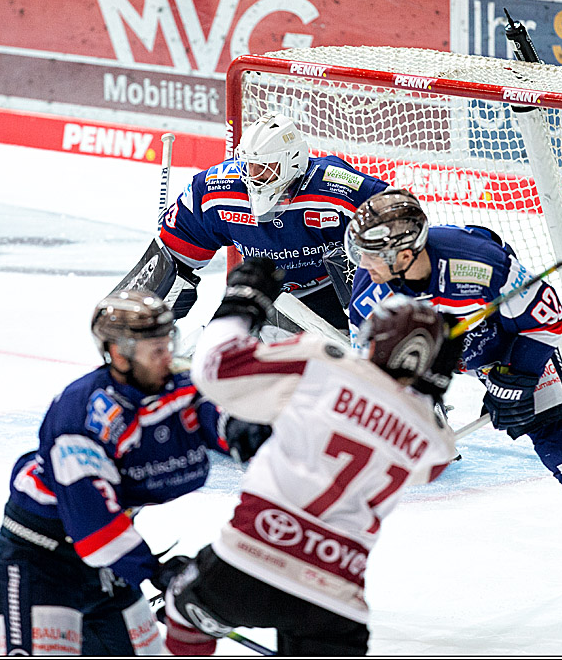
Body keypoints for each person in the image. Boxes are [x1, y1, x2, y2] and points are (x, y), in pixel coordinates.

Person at [344, 188, 562, 610]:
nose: (360, 264)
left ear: (403, 253)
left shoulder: (477, 264)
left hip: (507, 347)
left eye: (370, 254)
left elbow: (548, 318)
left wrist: (520, 376)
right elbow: (374, 369)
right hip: (434, 356)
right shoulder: (369, 293)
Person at [152, 257, 460, 656]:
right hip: (335, 599)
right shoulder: (430, 437)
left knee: (181, 610)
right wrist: (428, 388)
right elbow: (430, 463)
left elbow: (212, 369)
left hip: (246, 563)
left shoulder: (323, 362)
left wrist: (241, 304)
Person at [0, 289, 246, 655]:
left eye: (167, 344)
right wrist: (156, 574)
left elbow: (205, 411)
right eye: (155, 350)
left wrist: (241, 429)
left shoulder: (169, 382)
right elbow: (92, 525)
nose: (167, 357)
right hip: (41, 560)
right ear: (119, 354)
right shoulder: (83, 417)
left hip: (108, 557)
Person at [113, 112, 389, 330]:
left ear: (293, 162)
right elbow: (175, 257)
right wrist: (142, 316)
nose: (253, 174)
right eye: (248, 164)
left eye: (264, 166)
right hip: (258, 297)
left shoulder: (336, 187)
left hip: (329, 297)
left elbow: (398, 220)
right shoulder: (216, 189)